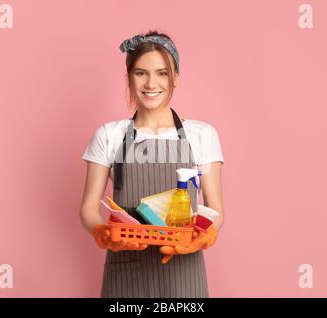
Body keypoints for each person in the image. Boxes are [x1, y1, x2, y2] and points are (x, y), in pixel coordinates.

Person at [79, 30, 224, 298]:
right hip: (126, 274)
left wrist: (205, 235)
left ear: (175, 78)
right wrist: (101, 231)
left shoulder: (202, 135)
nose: (151, 83)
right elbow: (89, 206)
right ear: (129, 78)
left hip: (184, 273)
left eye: (162, 73)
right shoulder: (110, 135)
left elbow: (216, 210)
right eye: (141, 73)